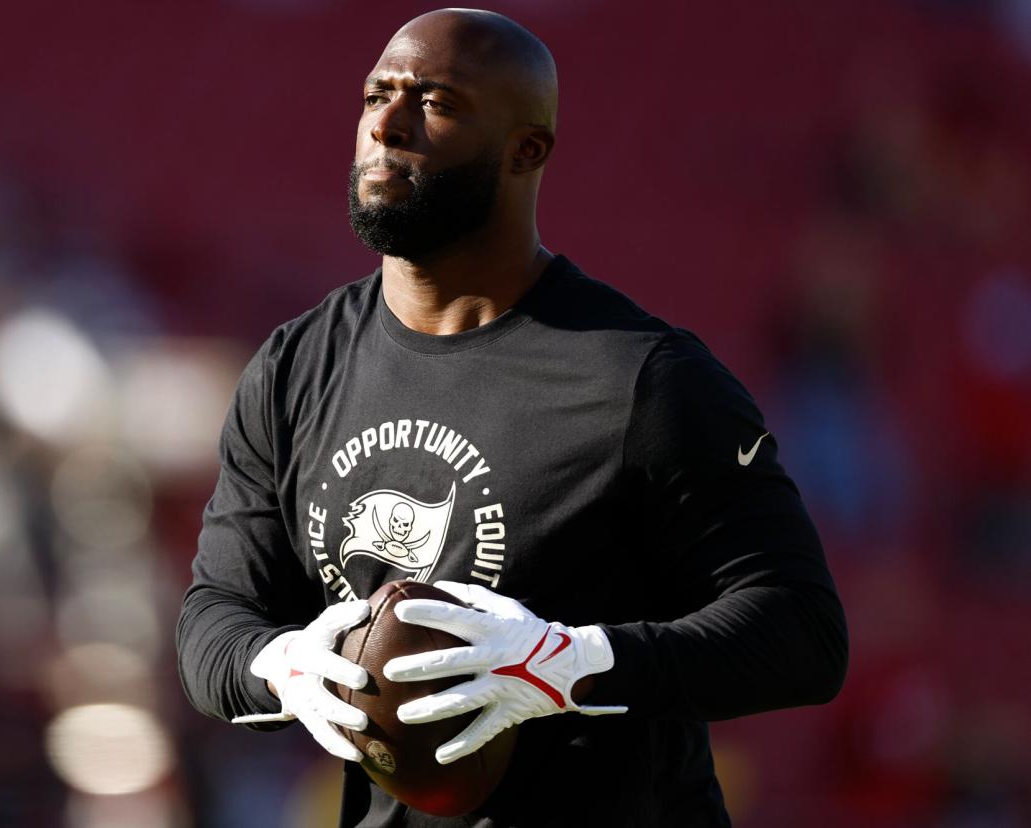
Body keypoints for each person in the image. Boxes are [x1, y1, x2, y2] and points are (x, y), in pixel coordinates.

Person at [176, 8, 848, 826]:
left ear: (526, 150)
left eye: (436, 102)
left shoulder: (644, 377)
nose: (386, 125)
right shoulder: (292, 369)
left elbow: (802, 633)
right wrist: (280, 665)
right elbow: (213, 621)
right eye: (375, 95)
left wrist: (574, 663)